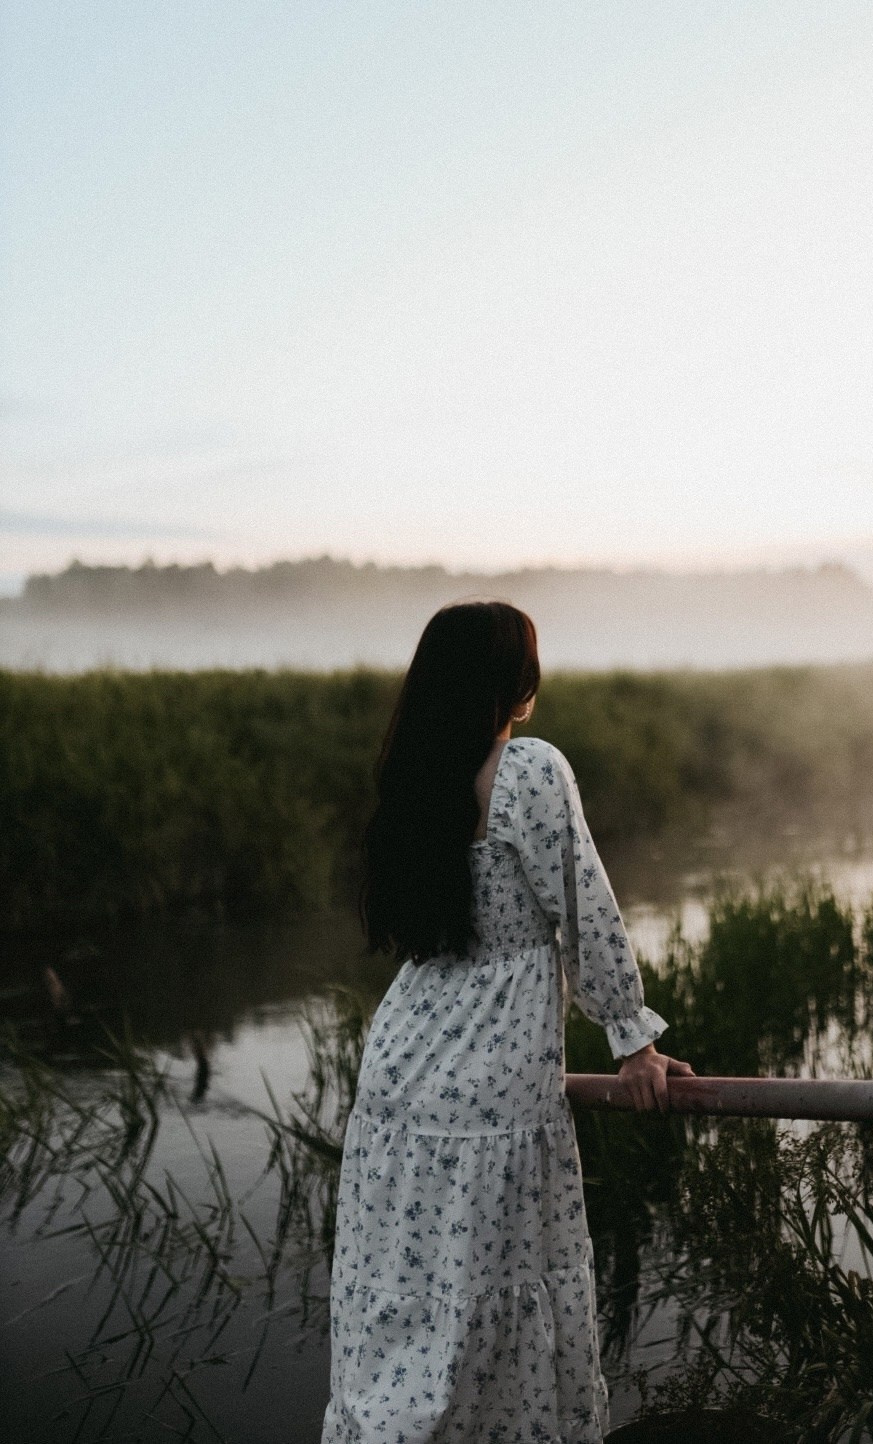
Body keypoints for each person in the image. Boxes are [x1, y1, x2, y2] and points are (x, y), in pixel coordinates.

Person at [321, 601, 693, 1443]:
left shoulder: (415, 778)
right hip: (491, 1078)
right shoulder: (527, 769)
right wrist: (635, 1040)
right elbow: (584, 911)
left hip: (400, 1070)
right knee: (496, 1288)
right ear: (515, 686)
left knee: (412, 1298)